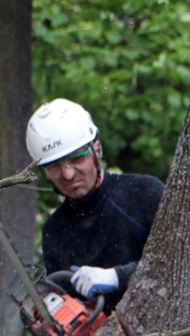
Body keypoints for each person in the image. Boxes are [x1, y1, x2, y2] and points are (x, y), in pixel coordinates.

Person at [26, 98, 164, 310]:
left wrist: (119, 276)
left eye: (76, 158)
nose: (68, 174)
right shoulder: (55, 232)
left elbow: (180, 261)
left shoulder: (144, 193)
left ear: (96, 150)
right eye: (54, 166)